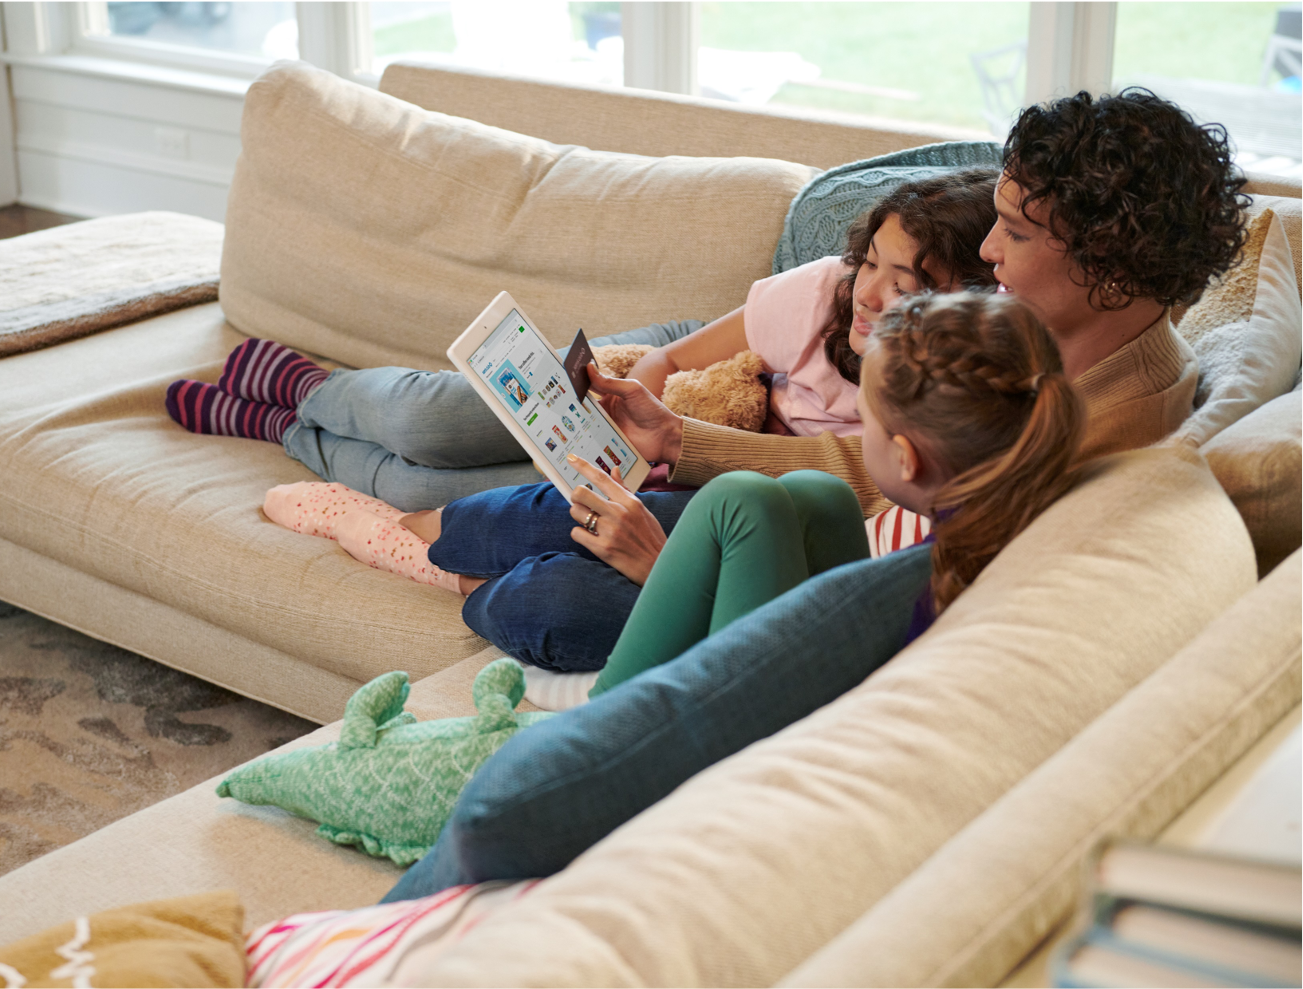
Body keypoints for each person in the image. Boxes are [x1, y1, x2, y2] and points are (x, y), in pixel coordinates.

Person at [414, 88, 1249, 672]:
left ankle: (449, 566)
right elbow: (888, 466)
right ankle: (415, 535)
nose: (988, 253)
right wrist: (681, 438)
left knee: (545, 599)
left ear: (1107, 264)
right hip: (816, 538)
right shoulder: (1050, 334)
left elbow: (885, 605)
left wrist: (663, 564)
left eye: (1016, 232)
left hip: (803, 589)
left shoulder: (1103, 432)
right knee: (545, 512)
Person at [164, 170, 999, 512]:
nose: (874, 295)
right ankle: (304, 386)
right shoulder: (820, 295)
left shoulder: (943, 400)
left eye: (912, 283)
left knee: (433, 494)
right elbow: (678, 363)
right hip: (683, 378)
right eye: (874, 263)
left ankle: (281, 427)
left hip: (710, 455)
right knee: (440, 425)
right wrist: (633, 423)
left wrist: (656, 465)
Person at [576, 289, 1082, 700]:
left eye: (868, 423)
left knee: (737, 499)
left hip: (754, 727)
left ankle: (595, 722)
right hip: (834, 673)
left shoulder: (920, 573)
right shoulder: (997, 514)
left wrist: (675, 570)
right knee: (817, 492)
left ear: (906, 458)